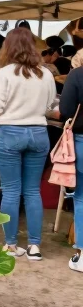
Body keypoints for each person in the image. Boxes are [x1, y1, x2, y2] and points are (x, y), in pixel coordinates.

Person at [0, 27, 56, 260]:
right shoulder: (45, 73)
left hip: (10, 133)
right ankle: (35, 247)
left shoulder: (5, 73)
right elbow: (50, 107)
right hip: (39, 132)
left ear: (8, 47)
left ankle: (11, 245)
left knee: (11, 191)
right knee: (32, 191)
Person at [58, 60, 83, 272]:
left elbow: (66, 109)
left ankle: (82, 255)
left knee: (81, 197)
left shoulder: (77, 75)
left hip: (82, 140)